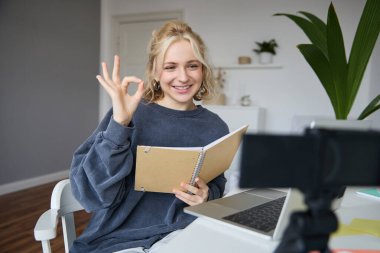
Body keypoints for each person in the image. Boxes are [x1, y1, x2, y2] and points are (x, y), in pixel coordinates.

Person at [69, 20, 229, 253]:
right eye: (170, 66)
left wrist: (207, 195)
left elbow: (216, 184)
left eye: (192, 65)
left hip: (184, 234)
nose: (183, 77)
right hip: (119, 240)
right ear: (154, 71)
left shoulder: (215, 127)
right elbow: (92, 194)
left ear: (203, 69)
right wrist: (119, 125)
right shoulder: (130, 114)